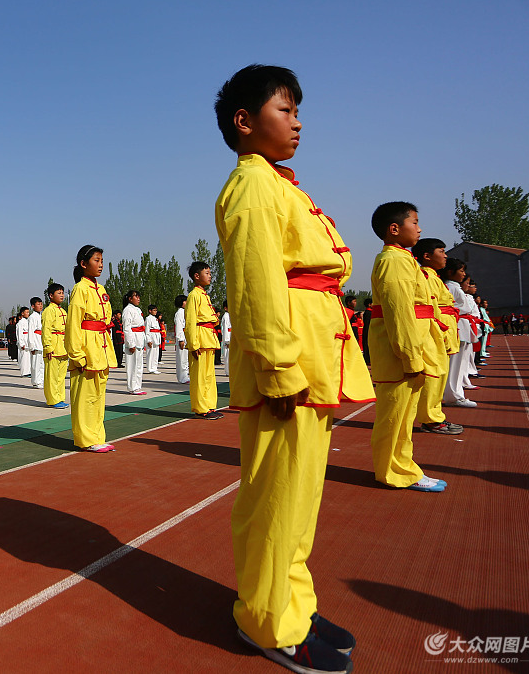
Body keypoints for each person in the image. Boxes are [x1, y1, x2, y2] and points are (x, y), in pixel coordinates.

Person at [214, 64, 374, 673]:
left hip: (315, 350)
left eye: (299, 110)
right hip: (292, 362)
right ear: (246, 121)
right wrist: (280, 370)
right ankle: (268, 621)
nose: (298, 122)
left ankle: (293, 605)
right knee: (278, 496)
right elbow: (255, 284)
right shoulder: (253, 186)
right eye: (285, 110)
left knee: (301, 497)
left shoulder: (281, 184)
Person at [368, 202, 448, 496]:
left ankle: (404, 467)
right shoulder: (394, 261)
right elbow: (399, 311)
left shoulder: (405, 259)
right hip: (398, 352)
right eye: (415, 222)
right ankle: (393, 471)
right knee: (394, 416)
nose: (420, 228)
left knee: (404, 416)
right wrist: (410, 355)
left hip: (409, 349)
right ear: (395, 229)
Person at [66, 245, 117, 452]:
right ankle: (85, 438)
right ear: (83, 264)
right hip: (87, 346)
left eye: (102, 261)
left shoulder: (101, 289)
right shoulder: (80, 288)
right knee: (85, 395)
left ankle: (97, 436)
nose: (101, 265)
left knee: (98, 395)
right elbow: (74, 323)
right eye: (96, 260)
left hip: (102, 345)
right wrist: (77, 354)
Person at [412, 239, 462, 435]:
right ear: (427, 256)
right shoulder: (425, 276)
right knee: (433, 377)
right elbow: (432, 308)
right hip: (435, 331)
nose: (445, 255)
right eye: (441, 251)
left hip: (443, 330)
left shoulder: (434, 277)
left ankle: (434, 415)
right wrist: (440, 331)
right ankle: (430, 419)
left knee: (440, 376)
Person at [185, 262, 223, 419]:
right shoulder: (194, 295)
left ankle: (210, 405)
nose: (210, 275)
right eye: (206, 273)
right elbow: (190, 321)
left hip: (209, 338)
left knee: (209, 376)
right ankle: (201, 408)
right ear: (196, 276)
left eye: (210, 272)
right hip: (200, 339)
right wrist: (193, 345)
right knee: (199, 377)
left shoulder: (204, 295)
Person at [440, 258, 475, 408]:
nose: (464, 274)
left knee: (460, 365)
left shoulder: (455, 287)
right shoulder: (450, 287)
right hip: (457, 325)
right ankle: (452, 395)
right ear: (450, 272)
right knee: (454, 365)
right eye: (461, 271)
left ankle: (457, 393)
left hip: (463, 325)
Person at [41, 283, 70, 408]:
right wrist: (48, 346)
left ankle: (60, 397)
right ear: (51, 296)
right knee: (52, 376)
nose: (62, 295)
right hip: (53, 346)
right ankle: (53, 399)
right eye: (59, 293)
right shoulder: (48, 311)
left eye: (63, 293)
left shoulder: (63, 311)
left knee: (61, 376)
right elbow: (46, 329)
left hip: (63, 346)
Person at [121, 290, 146, 395]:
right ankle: (132, 387)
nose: (138, 298)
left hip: (139, 338)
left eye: (139, 296)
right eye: (136, 296)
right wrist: (131, 343)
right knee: (132, 365)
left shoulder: (137, 309)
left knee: (139, 365)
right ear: (130, 299)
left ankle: (138, 386)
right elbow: (127, 328)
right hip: (133, 338)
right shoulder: (127, 310)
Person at [27, 297, 45, 389]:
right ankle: (36, 381)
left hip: (41, 341)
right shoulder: (32, 317)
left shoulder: (41, 316)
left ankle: (41, 380)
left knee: (41, 364)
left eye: (41, 304)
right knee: (35, 364)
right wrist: (32, 346)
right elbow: (30, 332)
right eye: (38, 304)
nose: (40, 306)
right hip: (36, 342)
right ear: (33, 306)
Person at [173, 294, 189, 384]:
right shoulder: (179, 313)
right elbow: (179, 327)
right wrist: (180, 339)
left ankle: (185, 375)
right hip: (182, 336)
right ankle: (182, 377)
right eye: (185, 301)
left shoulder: (184, 311)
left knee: (185, 358)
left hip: (186, 335)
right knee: (182, 359)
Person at [144, 304, 161, 373]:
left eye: (156, 310)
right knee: (150, 353)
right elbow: (147, 330)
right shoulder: (148, 318)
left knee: (156, 353)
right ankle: (150, 368)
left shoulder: (155, 318)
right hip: (151, 336)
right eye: (154, 310)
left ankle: (154, 367)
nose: (155, 312)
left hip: (156, 336)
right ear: (150, 311)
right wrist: (148, 340)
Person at [15, 306, 31, 377]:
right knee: (24, 358)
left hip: (28, 341)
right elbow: (19, 334)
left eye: (28, 312)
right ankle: (24, 372)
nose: (28, 313)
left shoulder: (28, 321)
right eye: (26, 312)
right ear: (22, 313)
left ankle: (28, 371)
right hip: (23, 341)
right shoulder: (20, 323)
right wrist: (21, 343)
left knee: (28, 358)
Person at [220, 300, 232, 382]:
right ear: (225, 308)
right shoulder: (226, 316)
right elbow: (225, 330)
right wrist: (227, 341)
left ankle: (230, 371)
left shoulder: (230, 316)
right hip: (228, 341)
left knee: (230, 357)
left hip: (231, 338)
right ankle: (228, 371)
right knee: (227, 357)